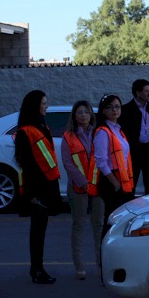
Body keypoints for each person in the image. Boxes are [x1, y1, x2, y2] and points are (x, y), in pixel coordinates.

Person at [14, 89, 60, 284]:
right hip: (37, 190)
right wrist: (33, 195)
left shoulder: (42, 127)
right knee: (37, 231)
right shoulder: (26, 132)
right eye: (43, 103)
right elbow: (26, 165)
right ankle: (37, 270)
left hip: (47, 186)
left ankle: (38, 268)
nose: (46, 106)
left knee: (41, 230)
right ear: (35, 106)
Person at [60, 100, 104, 281]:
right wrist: (84, 182)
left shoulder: (99, 133)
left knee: (99, 226)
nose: (83, 115)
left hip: (97, 187)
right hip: (78, 188)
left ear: (91, 115)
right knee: (79, 225)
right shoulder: (68, 136)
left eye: (86, 112)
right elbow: (68, 163)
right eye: (80, 112)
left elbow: (103, 158)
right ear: (74, 116)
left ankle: (102, 265)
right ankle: (79, 266)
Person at [94, 94, 134, 228]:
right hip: (111, 181)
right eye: (110, 107)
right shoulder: (103, 132)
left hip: (121, 181)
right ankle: (104, 248)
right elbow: (101, 162)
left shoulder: (118, 130)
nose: (114, 110)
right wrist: (115, 183)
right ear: (103, 110)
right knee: (111, 221)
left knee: (119, 221)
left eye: (117, 107)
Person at [119, 79, 149, 195]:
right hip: (135, 151)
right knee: (131, 184)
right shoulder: (126, 109)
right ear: (138, 93)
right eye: (146, 91)